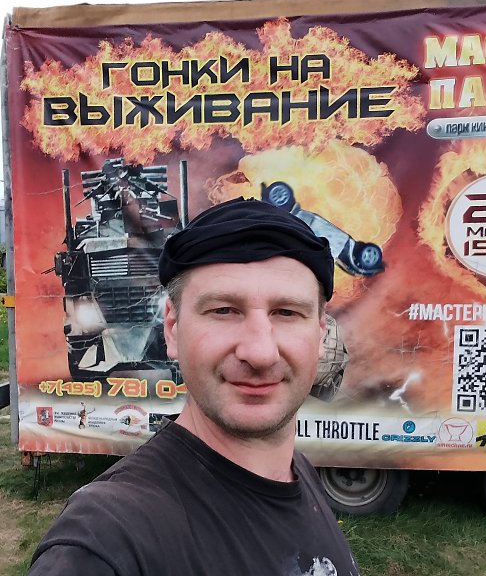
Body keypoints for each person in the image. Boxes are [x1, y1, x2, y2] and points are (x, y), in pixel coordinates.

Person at [29, 197, 360, 576]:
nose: (260, 352)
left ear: (320, 334)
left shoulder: (298, 471)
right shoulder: (105, 542)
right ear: (172, 328)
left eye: (287, 312)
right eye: (223, 310)